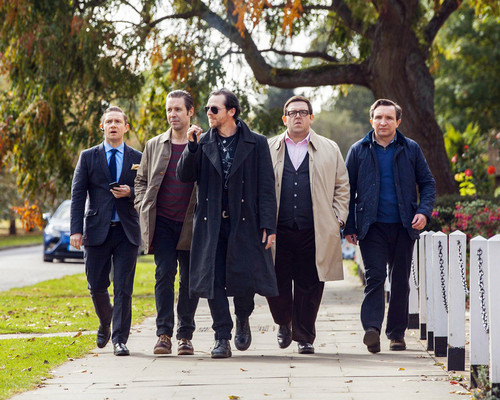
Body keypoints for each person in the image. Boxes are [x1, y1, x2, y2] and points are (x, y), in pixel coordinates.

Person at [176, 88, 278, 359]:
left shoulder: (256, 143)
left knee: (244, 280)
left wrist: (269, 225)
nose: (208, 113)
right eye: (207, 109)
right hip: (210, 225)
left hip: (245, 223)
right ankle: (222, 336)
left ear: (231, 111)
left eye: (214, 109)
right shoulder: (201, 142)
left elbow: (267, 188)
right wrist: (191, 147)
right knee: (213, 281)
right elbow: (184, 175)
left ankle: (242, 317)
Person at [344, 99, 436, 353]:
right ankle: (371, 330)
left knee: (400, 282)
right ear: (371, 120)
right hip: (371, 226)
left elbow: (427, 183)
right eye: (378, 117)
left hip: (404, 226)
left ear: (398, 122)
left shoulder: (411, 148)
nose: (383, 122)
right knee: (375, 277)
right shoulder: (358, 150)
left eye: (388, 118)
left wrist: (423, 212)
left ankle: (396, 334)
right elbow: (346, 190)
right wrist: (349, 226)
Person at [266, 95, 350, 354]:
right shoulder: (268, 148)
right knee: (275, 282)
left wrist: (337, 219)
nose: (298, 116)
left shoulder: (330, 148)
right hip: (277, 230)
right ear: (285, 118)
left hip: (315, 230)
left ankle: (304, 336)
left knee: (310, 285)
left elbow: (342, 186)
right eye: (292, 112)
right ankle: (283, 322)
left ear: (311, 117)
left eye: (303, 112)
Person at [70, 106, 142, 356]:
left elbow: (148, 190)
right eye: (109, 121)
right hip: (96, 230)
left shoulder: (138, 157)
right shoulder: (88, 157)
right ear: (102, 127)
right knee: (96, 284)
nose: (113, 125)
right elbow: (78, 194)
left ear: (126, 127)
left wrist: (131, 192)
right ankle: (105, 321)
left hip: (126, 232)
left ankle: (120, 339)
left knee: (123, 288)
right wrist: (76, 231)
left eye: (117, 121)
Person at [134, 90, 199, 356]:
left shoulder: (202, 143)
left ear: (190, 112)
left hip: (192, 223)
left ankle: (185, 336)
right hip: (162, 221)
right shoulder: (154, 144)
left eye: (178, 109)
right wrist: (142, 205)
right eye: (169, 109)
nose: (173, 114)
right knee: (163, 275)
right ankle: (163, 335)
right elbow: (141, 180)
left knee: (189, 280)